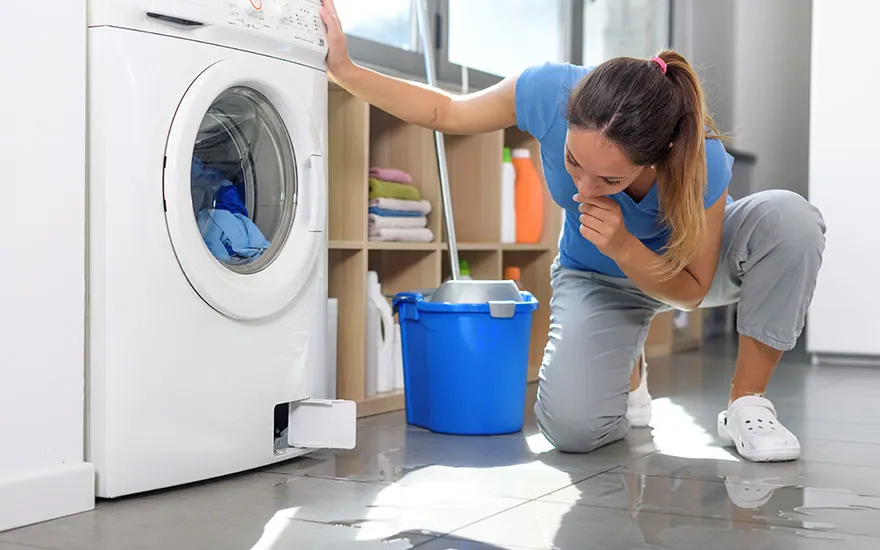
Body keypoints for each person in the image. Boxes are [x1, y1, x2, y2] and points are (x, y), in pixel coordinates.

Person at [319, 0, 825, 462]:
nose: (584, 190)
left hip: (688, 269)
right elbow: (444, 111)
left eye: (610, 180)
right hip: (597, 280)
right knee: (572, 431)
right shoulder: (548, 92)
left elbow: (692, 294)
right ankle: (628, 363)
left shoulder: (699, 157)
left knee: (790, 218)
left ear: (658, 155)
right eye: (572, 163)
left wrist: (626, 245)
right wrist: (345, 69)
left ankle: (746, 406)